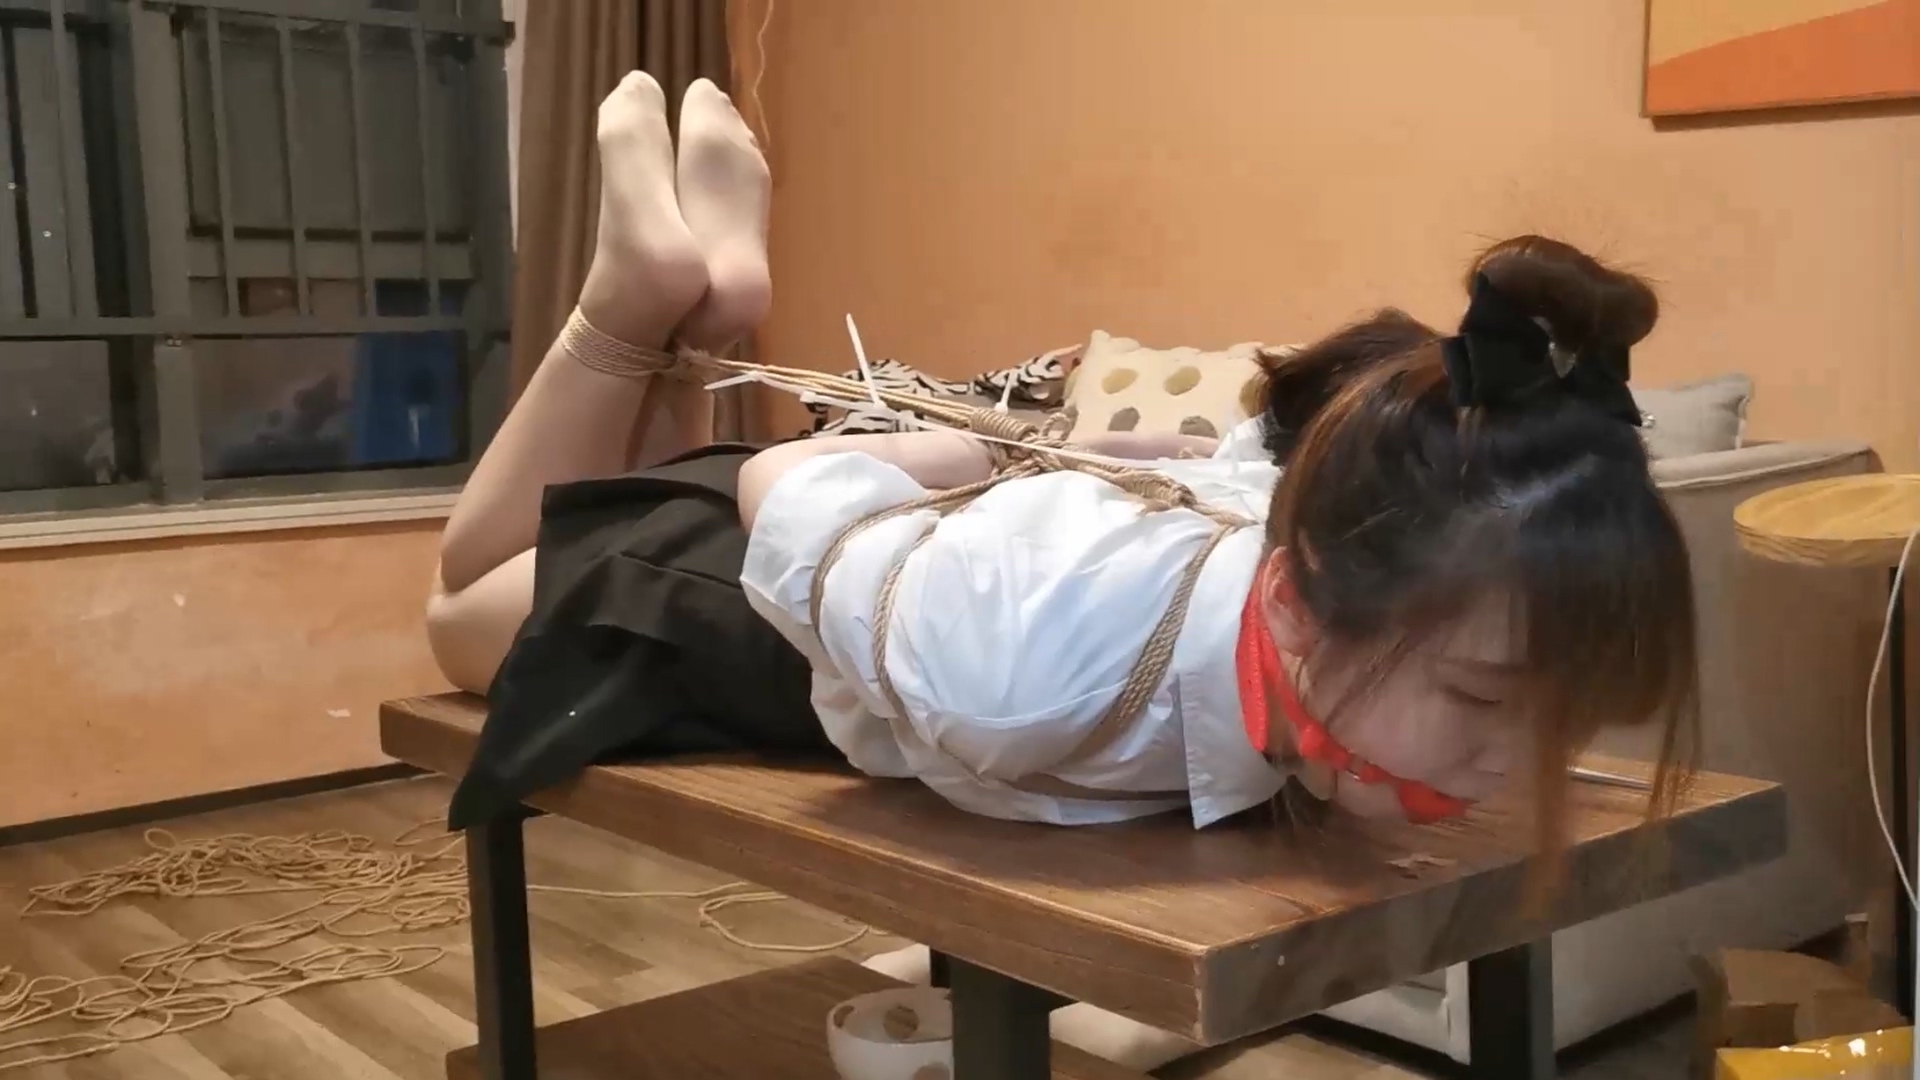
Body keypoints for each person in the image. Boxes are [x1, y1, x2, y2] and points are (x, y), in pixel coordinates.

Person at [430, 74, 1697, 852]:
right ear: (1293, 604)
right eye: (1481, 700)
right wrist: (1016, 448)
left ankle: (702, 303)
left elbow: (1269, 449)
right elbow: (780, 484)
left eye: (1561, 715)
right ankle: (629, 298)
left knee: (559, 529)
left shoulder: (1340, 522)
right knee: (456, 603)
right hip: (750, 584)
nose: (1514, 762)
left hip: (906, 554)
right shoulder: (1017, 674)